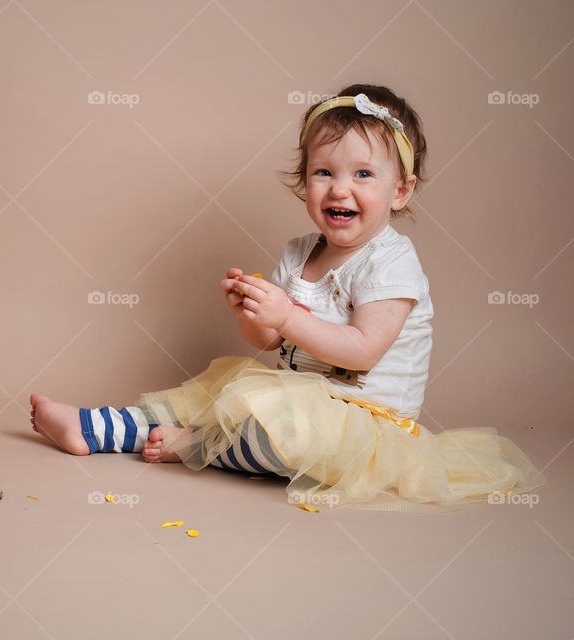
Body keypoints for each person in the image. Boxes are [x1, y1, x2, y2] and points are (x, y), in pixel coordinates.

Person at [30, 83, 544, 510]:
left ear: (400, 192)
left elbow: (363, 350)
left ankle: (200, 448)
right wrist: (255, 314)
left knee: (290, 438)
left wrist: (286, 317)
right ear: (304, 182)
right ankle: (92, 428)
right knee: (206, 398)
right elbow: (271, 342)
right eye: (325, 173)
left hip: (364, 424)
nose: (340, 190)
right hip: (297, 400)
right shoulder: (300, 252)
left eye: (363, 174)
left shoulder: (392, 262)